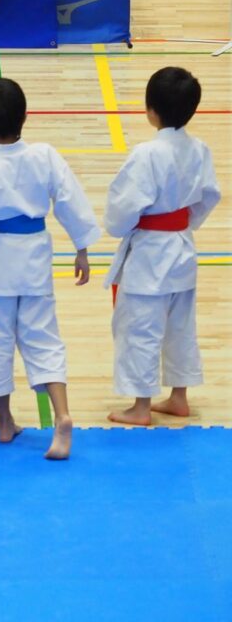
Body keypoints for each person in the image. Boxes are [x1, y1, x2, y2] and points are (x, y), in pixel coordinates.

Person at [0, 78, 99, 461]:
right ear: (26, 116)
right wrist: (81, 248)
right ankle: (62, 415)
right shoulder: (45, 156)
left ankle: (4, 421)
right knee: (44, 337)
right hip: (34, 260)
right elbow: (70, 200)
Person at [103, 67, 221, 426]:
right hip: (182, 247)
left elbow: (123, 210)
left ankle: (140, 407)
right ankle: (179, 397)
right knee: (180, 325)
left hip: (151, 254)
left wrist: (123, 227)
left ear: (150, 109)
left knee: (140, 327)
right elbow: (210, 196)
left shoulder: (147, 154)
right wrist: (183, 222)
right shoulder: (198, 149)